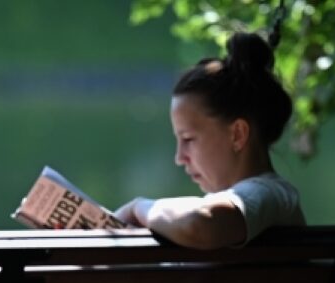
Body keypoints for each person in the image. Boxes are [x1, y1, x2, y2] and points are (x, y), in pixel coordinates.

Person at [114, 31, 305, 249]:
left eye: (188, 139)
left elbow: (197, 224)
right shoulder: (258, 202)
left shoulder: (268, 194)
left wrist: (139, 207)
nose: (179, 158)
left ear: (238, 135)